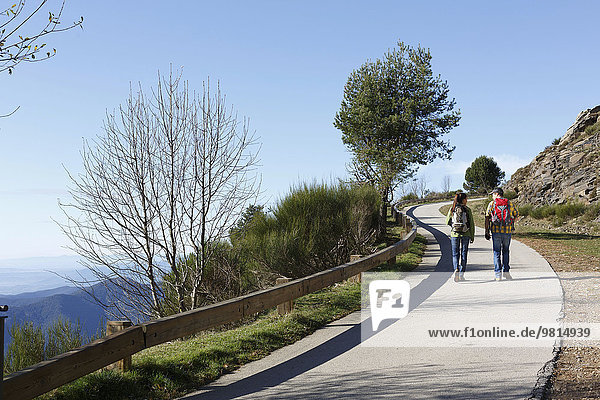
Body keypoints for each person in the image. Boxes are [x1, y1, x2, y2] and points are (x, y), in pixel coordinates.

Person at [485, 187, 519, 281]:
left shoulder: (492, 204)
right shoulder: (509, 203)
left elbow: (487, 217)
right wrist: (511, 223)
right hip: (507, 232)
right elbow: (517, 215)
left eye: (493, 194)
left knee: (496, 252)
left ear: (496, 194)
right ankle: (507, 273)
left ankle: (498, 275)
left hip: (496, 231)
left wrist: (486, 231)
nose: (492, 196)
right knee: (506, 251)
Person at [446, 192, 475, 282]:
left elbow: (447, 221)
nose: (467, 200)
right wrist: (472, 236)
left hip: (454, 234)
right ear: (463, 200)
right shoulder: (467, 209)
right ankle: (461, 275)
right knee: (464, 254)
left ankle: (456, 269)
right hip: (465, 234)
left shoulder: (453, 209)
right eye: (466, 199)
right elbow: (472, 224)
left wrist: (454, 226)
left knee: (455, 254)